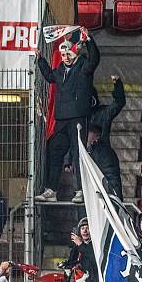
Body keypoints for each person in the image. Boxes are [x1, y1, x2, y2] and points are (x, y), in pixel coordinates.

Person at [35, 28, 100, 204]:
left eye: (67, 53)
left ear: (74, 52)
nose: (64, 56)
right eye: (62, 54)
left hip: (78, 117)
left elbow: (95, 59)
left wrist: (89, 41)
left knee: (78, 153)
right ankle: (51, 190)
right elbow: (49, 76)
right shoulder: (59, 70)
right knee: (55, 153)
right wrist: (40, 60)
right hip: (61, 119)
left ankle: (79, 190)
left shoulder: (84, 66)